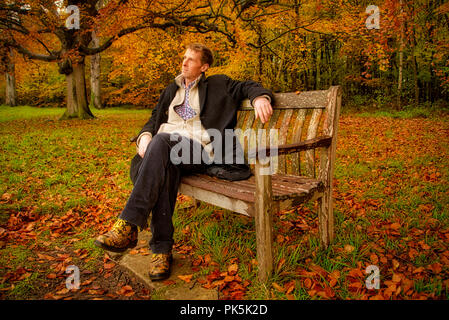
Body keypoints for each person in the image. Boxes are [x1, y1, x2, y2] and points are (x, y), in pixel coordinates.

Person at [94, 43, 274, 281]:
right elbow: (154, 117)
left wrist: (260, 97)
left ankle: (128, 224)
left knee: (162, 143)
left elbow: (247, 86)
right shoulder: (172, 89)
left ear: (204, 66)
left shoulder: (218, 83)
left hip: (198, 150)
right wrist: (145, 135)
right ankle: (161, 251)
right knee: (164, 164)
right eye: (184, 58)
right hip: (166, 150)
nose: (184, 62)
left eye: (191, 59)